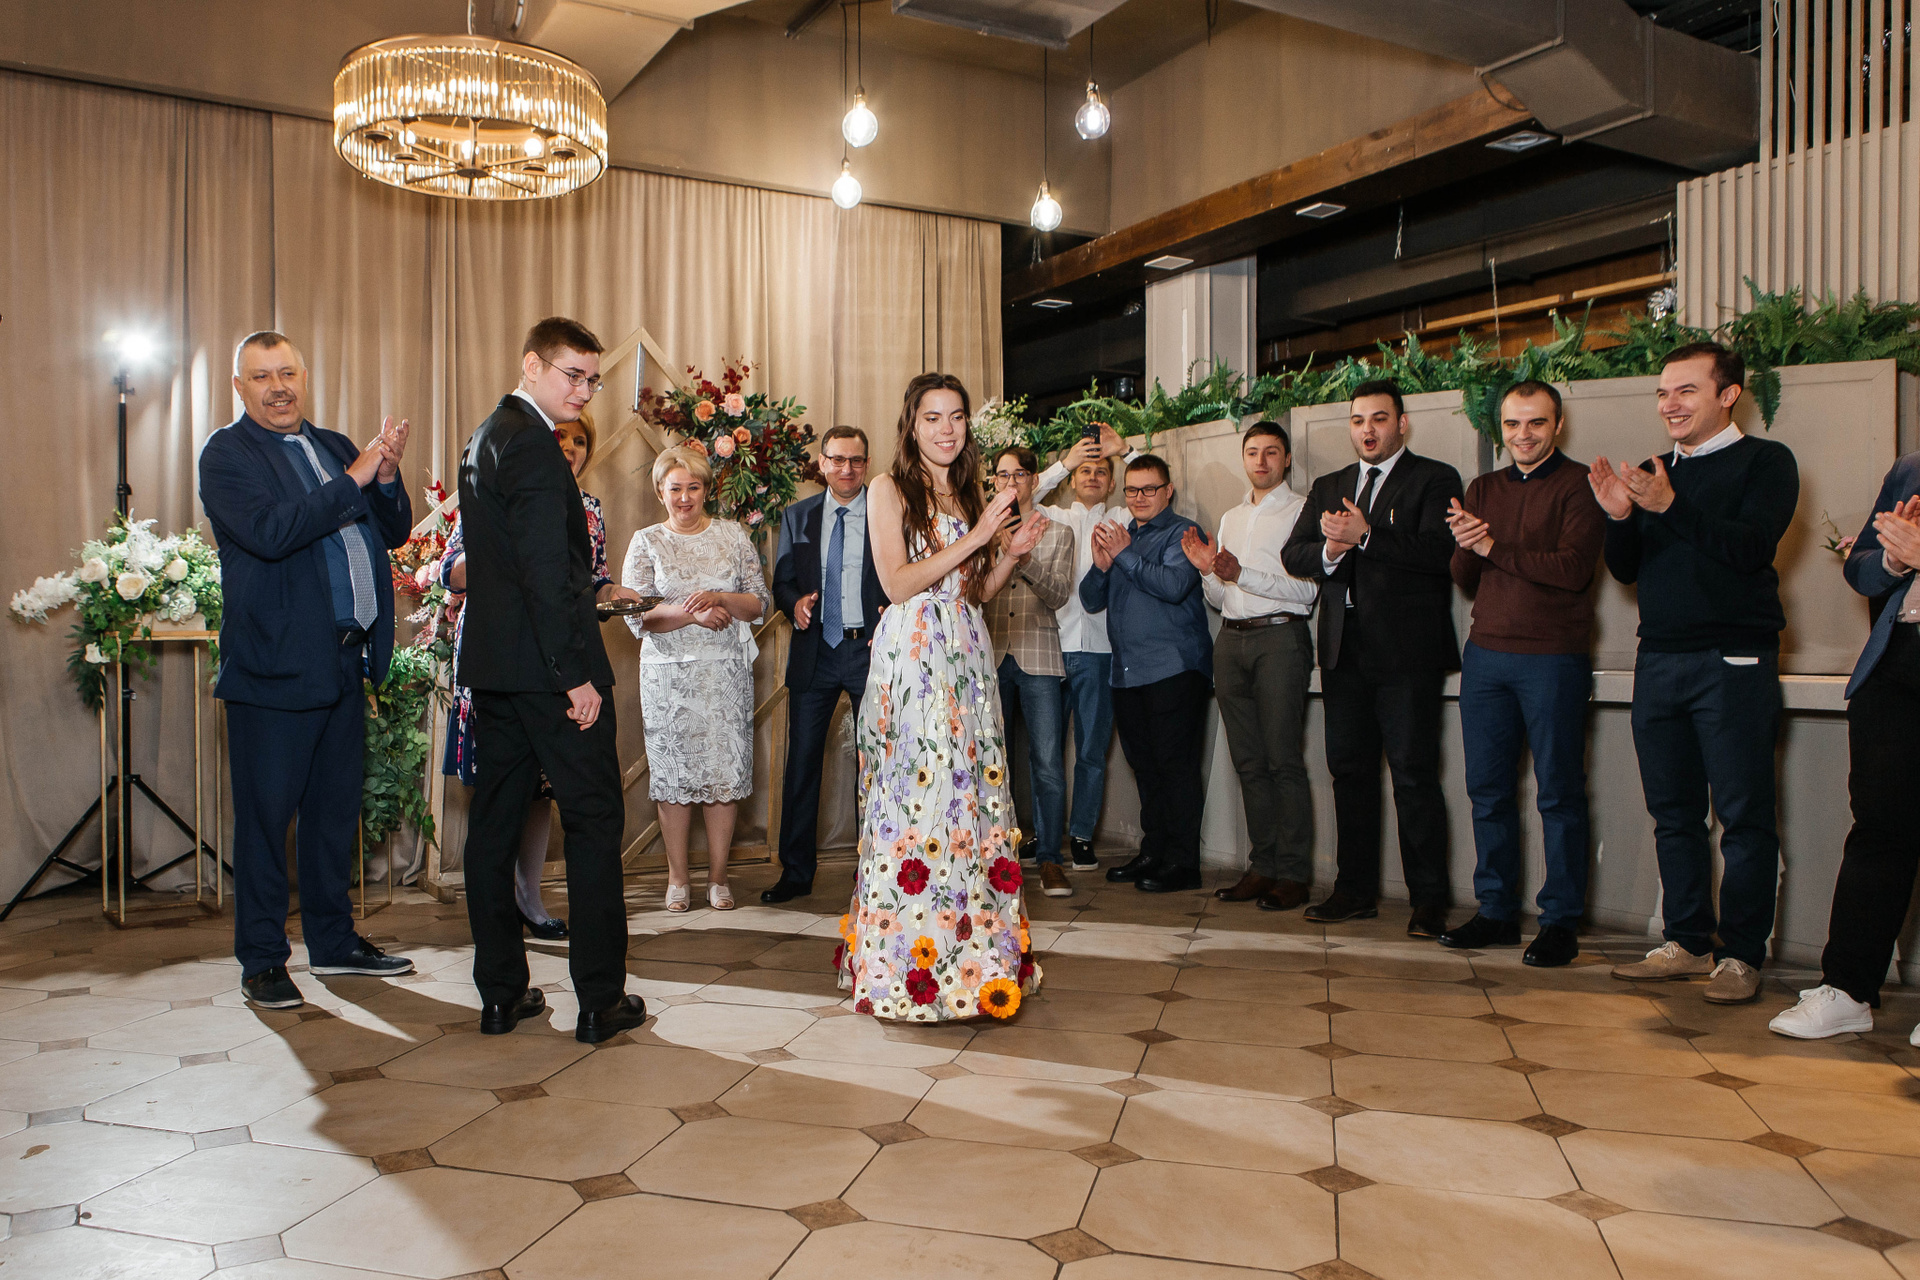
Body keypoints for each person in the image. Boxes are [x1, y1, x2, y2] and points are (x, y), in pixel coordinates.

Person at [198, 331, 417, 1009]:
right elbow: (272, 533)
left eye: (287, 373)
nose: (278, 387)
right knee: (267, 824)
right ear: (240, 387)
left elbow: (392, 530)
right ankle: (263, 959)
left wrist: (384, 477)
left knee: (332, 816)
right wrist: (354, 479)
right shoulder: (227, 453)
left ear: (303, 376)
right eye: (262, 376)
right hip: (273, 669)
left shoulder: (333, 443)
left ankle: (333, 941)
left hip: (344, 662)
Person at [837, 372, 1049, 1023]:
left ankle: (973, 954)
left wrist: (1009, 555)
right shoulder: (887, 488)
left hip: (967, 653)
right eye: (933, 417)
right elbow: (898, 584)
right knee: (919, 794)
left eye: (957, 416)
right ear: (912, 424)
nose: (947, 429)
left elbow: (973, 592)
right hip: (915, 656)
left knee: (969, 796)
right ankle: (907, 959)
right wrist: (980, 536)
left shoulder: (967, 491)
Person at [456, 316, 645, 1044]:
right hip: (550, 673)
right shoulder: (534, 444)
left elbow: (503, 568)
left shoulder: (486, 434)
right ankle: (600, 1000)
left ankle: (501, 995)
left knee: (494, 828)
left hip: (497, 671)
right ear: (531, 364)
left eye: (594, 379)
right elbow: (543, 573)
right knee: (594, 823)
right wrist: (575, 677)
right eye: (573, 374)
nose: (585, 390)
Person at [1593, 342, 1799, 1005]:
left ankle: (1740, 955)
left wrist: (1668, 506)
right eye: (1662, 393)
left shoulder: (1767, 461)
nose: (1670, 404)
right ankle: (1686, 941)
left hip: (1734, 659)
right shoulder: (1653, 472)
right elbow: (1627, 569)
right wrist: (1619, 517)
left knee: (1744, 816)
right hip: (1658, 658)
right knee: (1674, 814)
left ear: (1728, 394)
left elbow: (1750, 548)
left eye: (1685, 390)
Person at [438, 410, 642, 939]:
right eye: (561, 437)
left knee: (554, 797)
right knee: (503, 801)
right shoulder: (494, 491)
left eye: (580, 441)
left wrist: (610, 592)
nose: (570, 447)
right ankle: (503, 939)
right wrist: (507, 563)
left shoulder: (589, 508)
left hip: (565, 656)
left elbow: (588, 579)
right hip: (508, 659)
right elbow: (448, 570)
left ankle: (528, 900)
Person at [1282, 379, 1463, 937]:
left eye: (1379, 419)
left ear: (1401, 424)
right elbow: (1294, 553)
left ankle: (1428, 899)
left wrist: (1365, 537)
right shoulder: (1331, 484)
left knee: (1413, 775)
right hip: (1344, 651)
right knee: (1349, 773)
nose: (1368, 430)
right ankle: (1354, 890)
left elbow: (1440, 553)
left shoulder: (1434, 478)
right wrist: (1331, 550)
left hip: (1407, 655)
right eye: (1359, 420)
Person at [1438, 382, 1605, 967]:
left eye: (1535, 423)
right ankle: (1496, 911)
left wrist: (1491, 547)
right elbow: (1466, 579)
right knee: (1487, 791)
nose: (1523, 435)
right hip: (1486, 655)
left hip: (1553, 657)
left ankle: (1559, 921)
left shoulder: (1580, 485)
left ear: (1557, 425)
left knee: (1558, 793)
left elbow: (1572, 570)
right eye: (1512, 424)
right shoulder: (1483, 487)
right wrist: (1466, 546)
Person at [1772, 457, 1920, 1042]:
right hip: (1895, 668)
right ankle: (1849, 990)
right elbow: (1860, 567)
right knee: (1878, 831)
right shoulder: (1910, 470)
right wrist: (1892, 560)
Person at [622, 447, 771, 912]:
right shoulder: (645, 541)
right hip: (667, 678)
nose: (684, 497)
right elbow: (636, 614)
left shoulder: (732, 535)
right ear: (659, 492)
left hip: (725, 674)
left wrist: (720, 598)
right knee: (674, 778)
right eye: (675, 489)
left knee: (723, 776)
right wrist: (693, 614)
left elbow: (759, 602)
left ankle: (719, 878)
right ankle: (678, 879)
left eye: (693, 487)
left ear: (707, 490)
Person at [1180, 421, 1317, 911]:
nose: (1261, 461)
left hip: (1280, 637)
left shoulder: (1303, 511)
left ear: (1286, 459)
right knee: (1249, 762)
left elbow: (1308, 591)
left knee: (1283, 759)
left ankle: (1294, 873)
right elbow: (1221, 597)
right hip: (1231, 640)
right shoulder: (1232, 517)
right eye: (1253, 452)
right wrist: (1208, 572)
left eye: (1271, 452)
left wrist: (1243, 573)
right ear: (1243, 458)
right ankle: (1263, 867)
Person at [763, 426, 890, 904]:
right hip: (815, 650)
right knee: (801, 765)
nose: (847, 469)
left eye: (856, 461)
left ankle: (875, 872)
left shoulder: (886, 512)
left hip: (870, 649)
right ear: (822, 463)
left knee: (875, 764)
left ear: (867, 463)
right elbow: (782, 582)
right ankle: (795, 873)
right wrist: (794, 603)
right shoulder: (797, 515)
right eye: (837, 460)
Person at [1079, 454, 1213, 894]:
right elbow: (1090, 600)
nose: (1139, 497)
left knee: (1176, 767)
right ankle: (1154, 851)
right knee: (1146, 768)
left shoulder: (1184, 533)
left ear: (1167, 491)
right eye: (1132, 490)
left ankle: (1183, 863)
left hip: (1174, 668)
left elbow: (1173, 587)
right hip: (1127, 672)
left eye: (1149, 489)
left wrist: (1125, 555)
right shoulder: (1125, 537)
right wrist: (1102, 566)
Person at [1033, 426, 1133, 874]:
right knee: (1046, 752)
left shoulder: (1125, 519)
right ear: (1073, 479)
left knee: (1092, 750)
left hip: (1101, 650)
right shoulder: (1052, 517)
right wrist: (1064, 463)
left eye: (1101, 471)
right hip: (1049, 647)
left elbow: (1158, 491)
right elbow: (1020, 497)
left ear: (1111, 484)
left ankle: (1081, 836)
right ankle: (1045, 836)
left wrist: (1125, 450)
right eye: (1085, 471)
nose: (1092, 476)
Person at [984, 446, 1077, 897]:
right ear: (993, 482)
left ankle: (1050, 860)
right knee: (991, 762)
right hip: (991, 654)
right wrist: (998, 549)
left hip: (1039, 656)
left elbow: (1058, 594)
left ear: (1034, 480)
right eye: (1002, 475)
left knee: (1047, 763)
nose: (1010, 483)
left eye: (1019, 474)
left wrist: (1023, 558)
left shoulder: (1058, 532)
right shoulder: (981, 531)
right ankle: (994, 856)